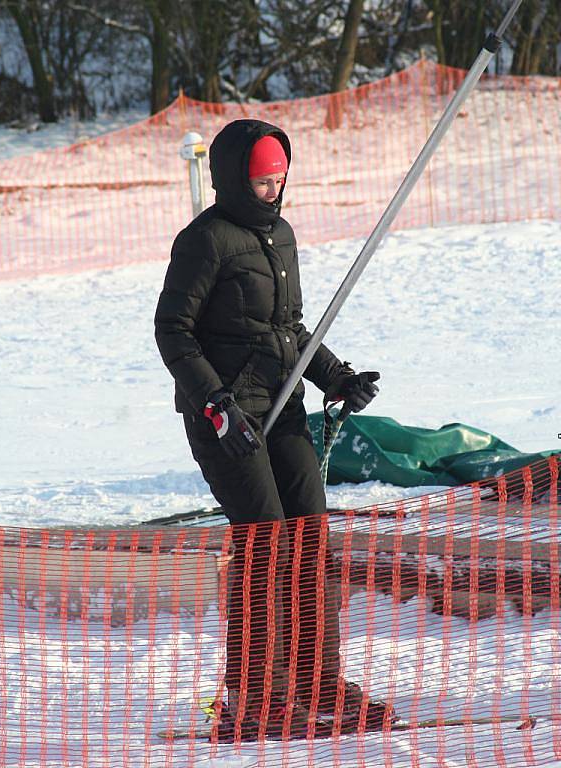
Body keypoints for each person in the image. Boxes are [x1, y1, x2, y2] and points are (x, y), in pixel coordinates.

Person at [155, 119, 390, 740]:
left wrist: (335, 377)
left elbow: (289, 327)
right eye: (262, 180)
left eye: (280, 178)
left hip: (280, 406)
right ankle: (257, 695)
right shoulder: (204, 241)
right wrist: (215, 404)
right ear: (235, 178)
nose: (273, 190)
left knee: (311, 541)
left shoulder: (279, 235)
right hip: (226, 419)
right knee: (266, 545)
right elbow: (173, 332)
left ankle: (319, 679)